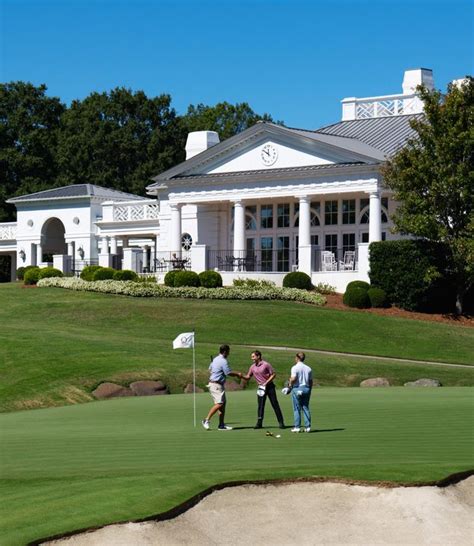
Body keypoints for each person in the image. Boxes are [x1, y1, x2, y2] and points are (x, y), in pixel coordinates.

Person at [202, 344, 243, 431]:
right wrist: (238, 374)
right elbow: (228, 372)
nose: (229, 353)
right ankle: (206, 420)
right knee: (220, 403)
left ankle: (221, 425)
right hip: (215, 384)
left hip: (217, 384)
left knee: (222, 405)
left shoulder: (215, 359)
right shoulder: (223, 361)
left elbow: (210, 369)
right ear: (225, 351)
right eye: (228, 351)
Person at [242, 350, 285, 429]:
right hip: (261, 388)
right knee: (260, 406)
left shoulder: (266, 364)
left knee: (275, 404)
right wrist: (241, 376)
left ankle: (281, 422)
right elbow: (248, 377)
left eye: (253, 356)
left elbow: (273, 374)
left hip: (270, 387)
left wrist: (266, 382)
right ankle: (259, 423)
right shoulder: (252, 367)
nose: (252, 358)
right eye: (252, 357)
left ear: (258, 356)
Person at [289, 352, 313, 433]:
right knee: (305, 407)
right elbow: (310, 381)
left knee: (297, 409)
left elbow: (293, 379)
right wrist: (309, 390)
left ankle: (297, 427)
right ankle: (308, 427)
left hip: (297, 389)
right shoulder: (309, 368)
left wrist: (289, 384)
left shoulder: (294, 368)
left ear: (297, 358)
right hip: (306, 388)